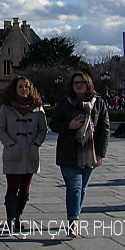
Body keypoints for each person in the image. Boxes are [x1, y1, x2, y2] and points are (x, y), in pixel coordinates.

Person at [49, 71, 110, 238]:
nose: (79, 85)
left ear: (88, 84)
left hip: (90, 153)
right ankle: (73, 221)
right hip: (68, 153)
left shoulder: (98, 103)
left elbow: (104, 129)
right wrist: (69, 125)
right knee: (74, 188)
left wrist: (101, 153)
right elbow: (54, 125)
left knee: (82, 188)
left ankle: (75, 216)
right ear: (72, 85)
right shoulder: (64, 103)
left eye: (82, 82)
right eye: (76, 82)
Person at [0, 76, 47, 233]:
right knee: (12, 187)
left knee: (25, 188)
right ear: (14, 89)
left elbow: (43, 129)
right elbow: (0, 129)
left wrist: (36, 143)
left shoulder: (38, 108)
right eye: (20, 86)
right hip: (14, 153)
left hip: (30, 153)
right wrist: (10, 144)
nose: (24, 89)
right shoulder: (6, 108)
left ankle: (18, 217)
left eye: (27, 86)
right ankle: (10, 219)